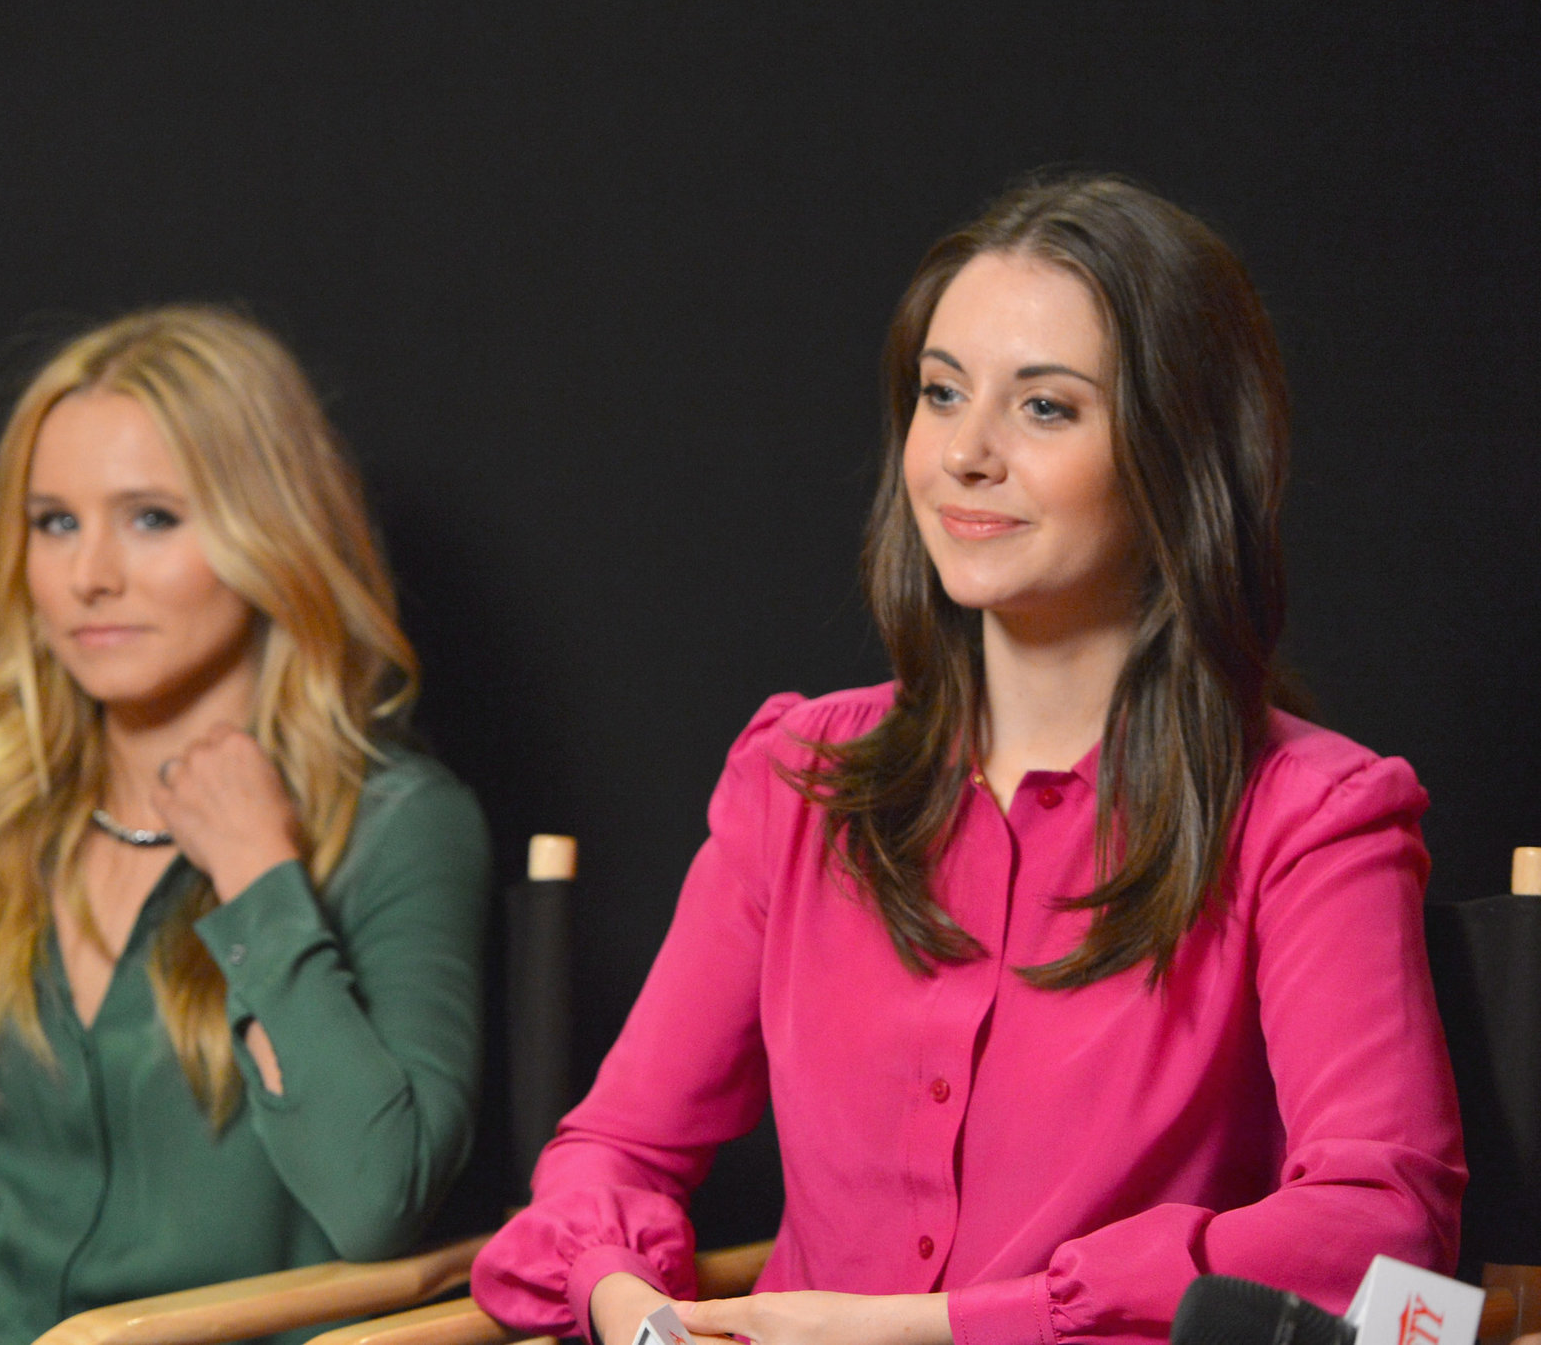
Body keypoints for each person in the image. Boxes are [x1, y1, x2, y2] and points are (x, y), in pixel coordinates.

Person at [470, 175, 1464, 1345]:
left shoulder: (1311, 815)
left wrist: (950, 1324)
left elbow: (1385, 1234)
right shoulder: (802, 777)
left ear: (1176, 454)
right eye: (942, 394)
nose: (965, 455)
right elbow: (615, 1151)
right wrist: (630, 1303)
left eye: (1046, 408)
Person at [0, 306, 490, 1345]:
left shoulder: (399, 825)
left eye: (153, 518)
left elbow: (377, 1199)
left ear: (272, 530)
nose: (90, 576)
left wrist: (261, 876)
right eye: (55, 521)